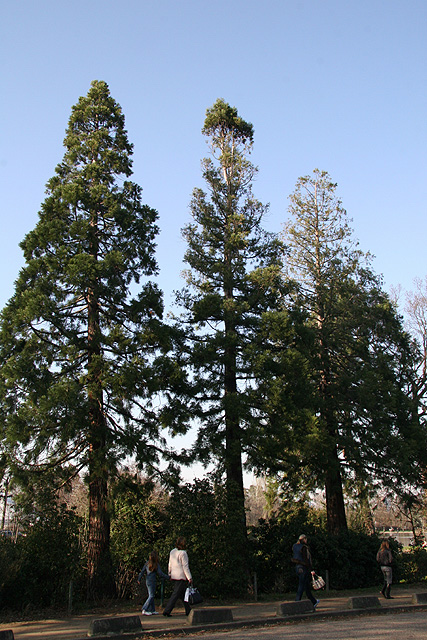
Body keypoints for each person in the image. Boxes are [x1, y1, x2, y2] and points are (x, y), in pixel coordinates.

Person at [162, 536, 193, 617]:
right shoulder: (183, 553)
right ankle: (167, 611)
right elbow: (185, 566)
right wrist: (189, 577)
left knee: (182, 594)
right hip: (180, 576)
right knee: (175, 594)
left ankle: (188, 610)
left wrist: (169, 573)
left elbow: (170, 564)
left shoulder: (172, 552)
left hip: (174, 575)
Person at [292, 534, 319, 609]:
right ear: (303, 539)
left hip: (297, 567)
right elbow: (306, 559)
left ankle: (313, 601)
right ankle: (297, 601)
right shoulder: (303, 548)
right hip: (303, 568)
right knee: (301, 584)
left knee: (306, 585)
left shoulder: (294, 546)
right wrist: (311, 569)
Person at [138, 550, 169, 615]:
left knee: (151, 595)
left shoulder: (147, 563)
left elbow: (142, 572)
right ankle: (145, 608)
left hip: (148, 580)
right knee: (151, 596)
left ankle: (152, 609)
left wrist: (139, 579)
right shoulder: (156, 564)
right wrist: (168, 577)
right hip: (152, 581)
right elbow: (160, 573)